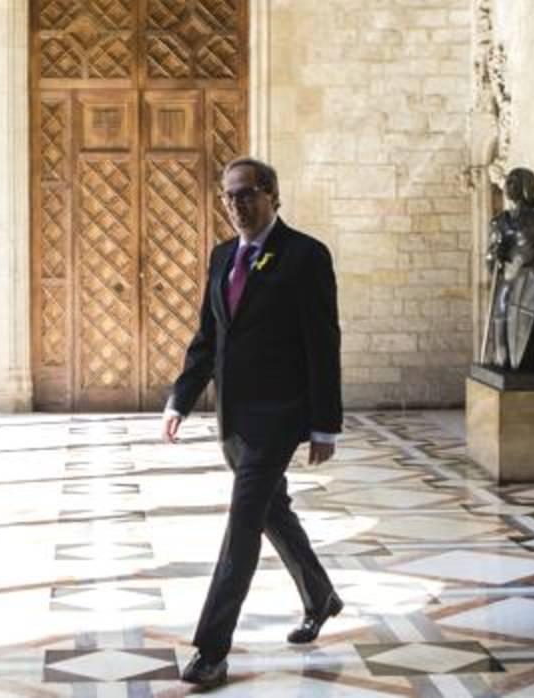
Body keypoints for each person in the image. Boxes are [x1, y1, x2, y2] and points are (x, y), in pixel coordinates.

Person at [161, 157, 343, 688]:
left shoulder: (306, 255)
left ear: (272, 194)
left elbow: (322, 341)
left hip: (281, 415)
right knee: (272, 512)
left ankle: (212, 650)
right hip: (234, 418)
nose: (237, 205)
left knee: (242, 525)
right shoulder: (222, 256)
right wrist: (180, 399)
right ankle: (320, 596)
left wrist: (324, 423)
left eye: (246, 194)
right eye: (228, 197)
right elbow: (209, 339)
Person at [484, 167, 534, 371]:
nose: (507, 186)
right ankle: (502, 357)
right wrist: (495, 255)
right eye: (508, 181)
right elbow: (491, 265)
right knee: (501, 303)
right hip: (509, 283)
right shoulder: (499, 222)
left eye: (513, 182)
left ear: (526, 187)